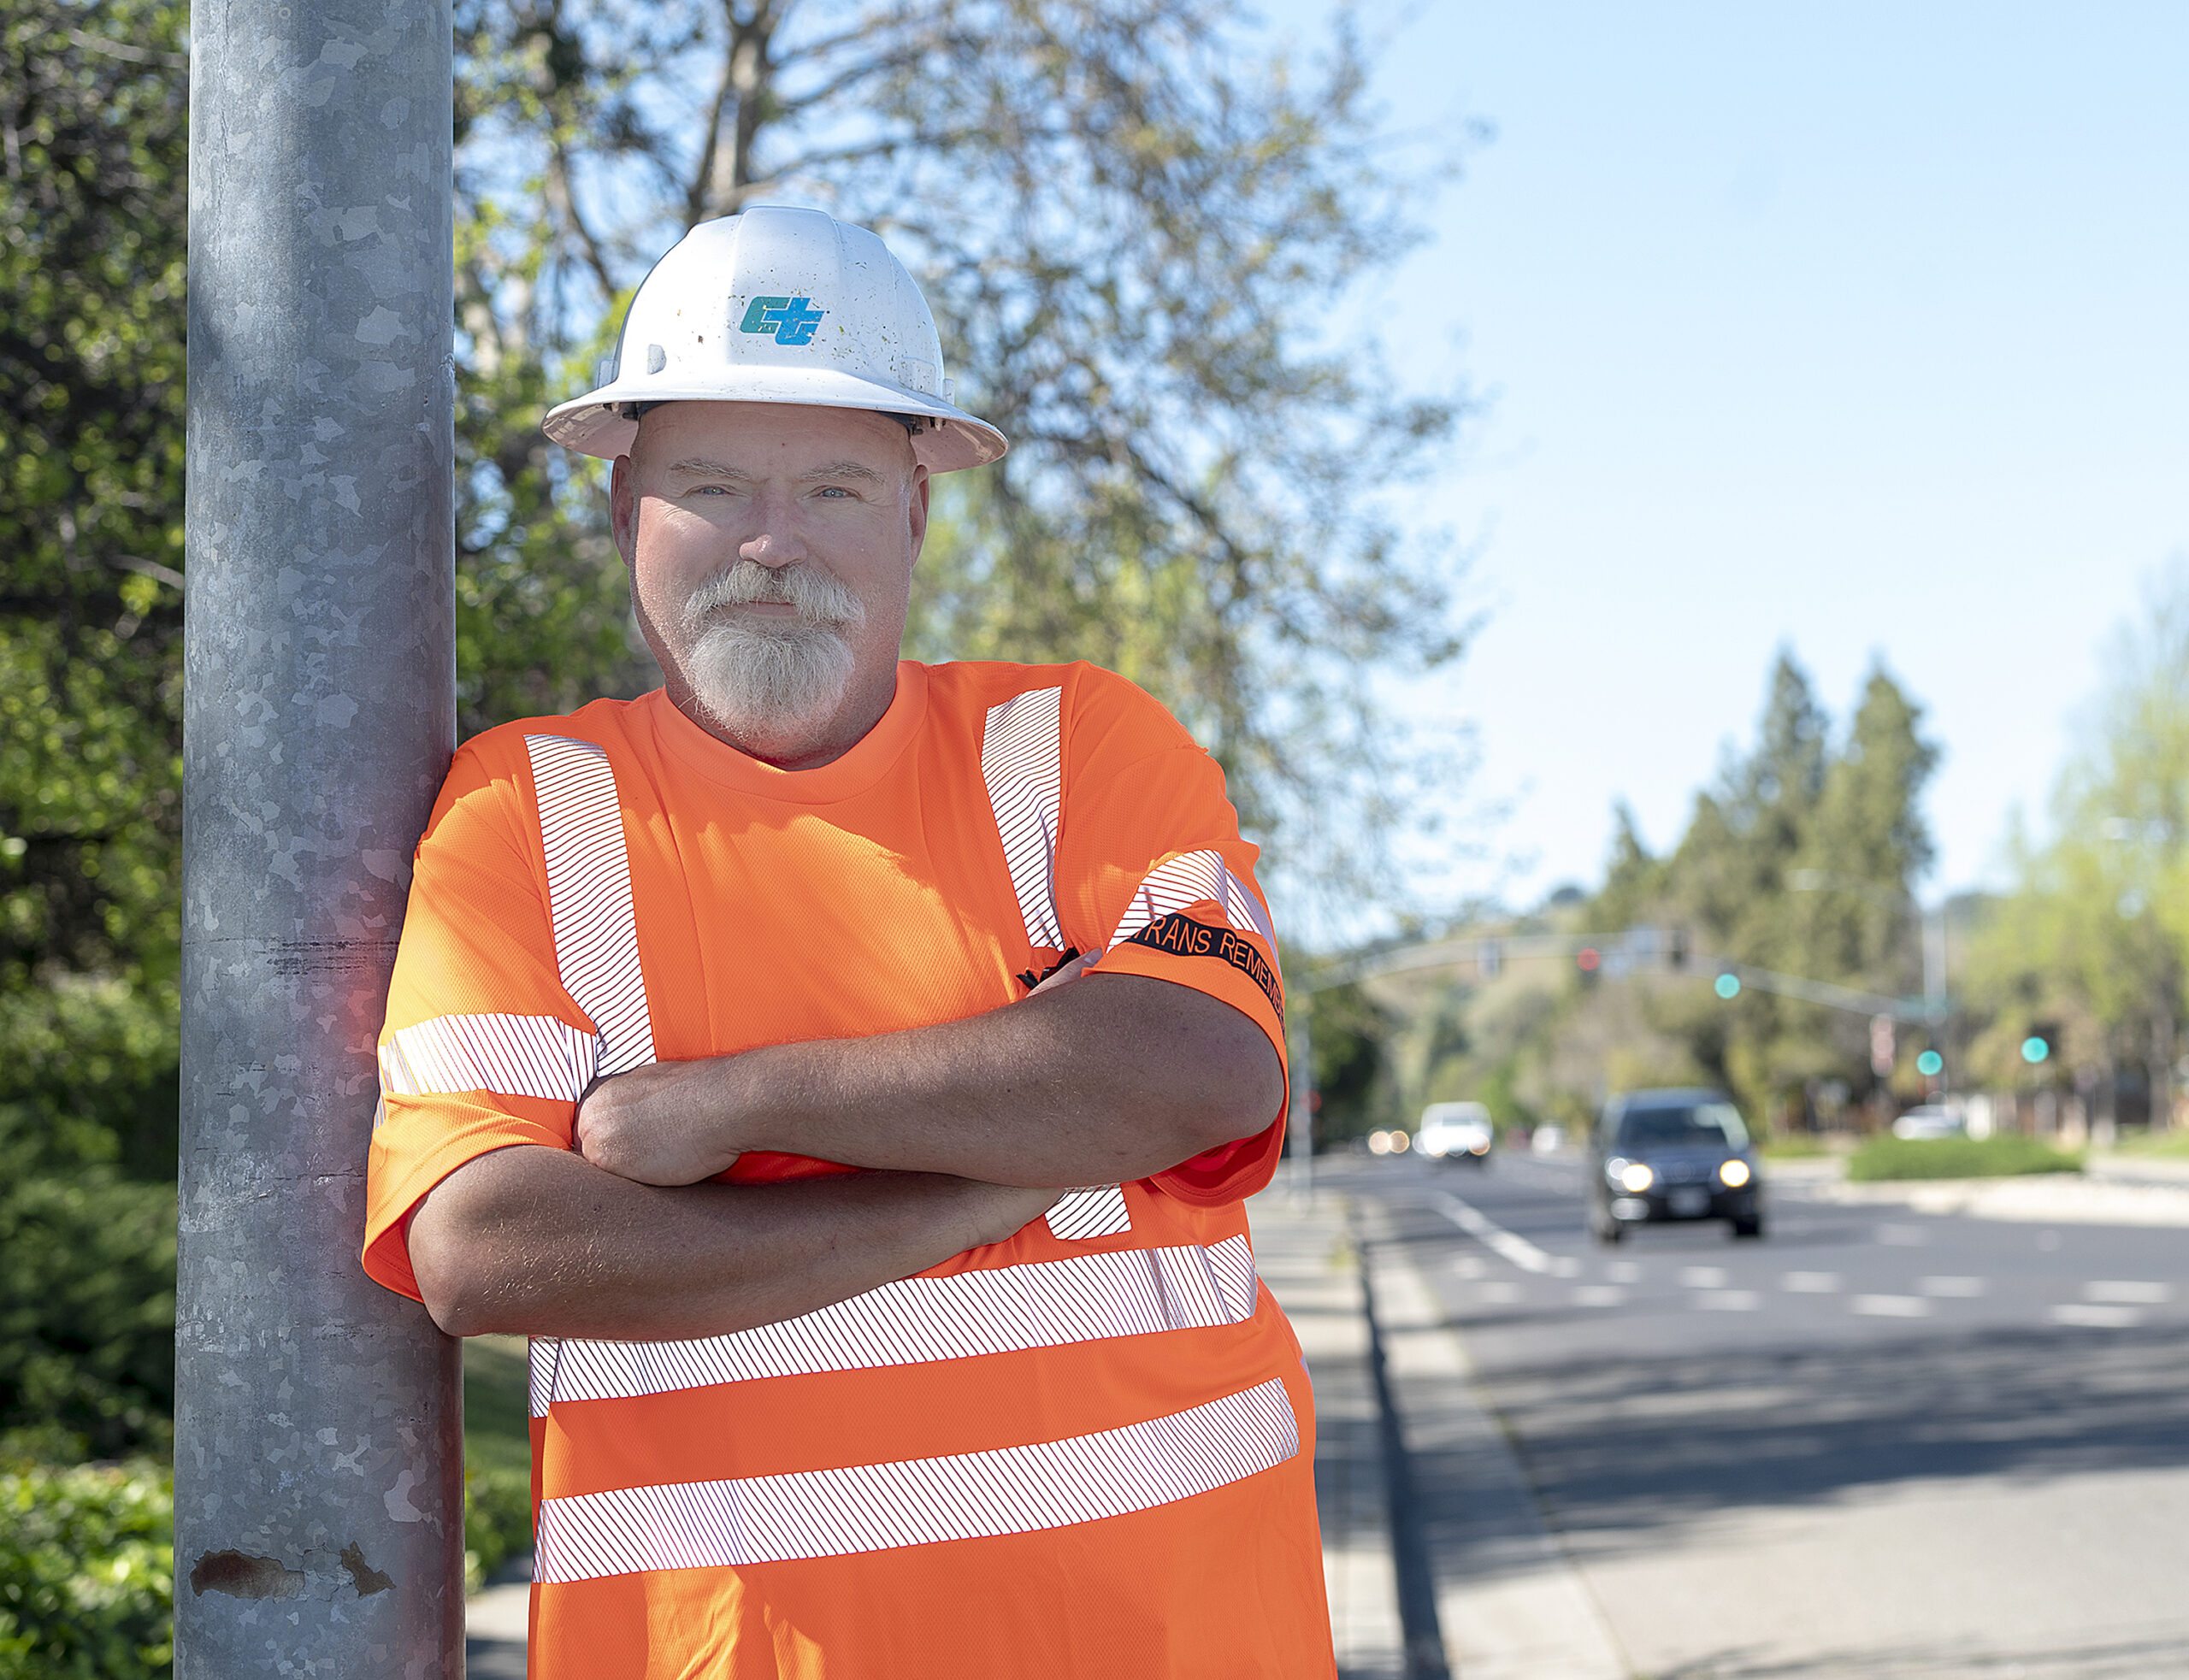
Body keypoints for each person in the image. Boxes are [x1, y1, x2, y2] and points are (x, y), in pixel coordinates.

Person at [363, 205, 1334, 1678]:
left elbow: (1205, 1069)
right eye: (710, 484)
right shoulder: (526, 812)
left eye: (834, 484)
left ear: (917, 515)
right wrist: (988, 1174)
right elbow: (484, 1244)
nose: (771, 540)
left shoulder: (1076, 746)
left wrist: (723, 1108)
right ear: (625, 511)